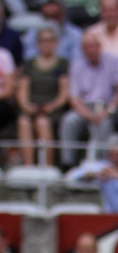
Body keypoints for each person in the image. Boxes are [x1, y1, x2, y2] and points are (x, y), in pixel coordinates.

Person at [59, 30, 118, 170]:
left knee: (105, 123)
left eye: (94, 46)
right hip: (85, 108)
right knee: (69, 120)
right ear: (82, 49)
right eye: (87, 47)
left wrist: (108, 111)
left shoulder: (113, 61)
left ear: (100, 46)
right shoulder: (76, 65)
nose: (91, 50)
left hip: (107, 107)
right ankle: (67, 163)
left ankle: (99, 164)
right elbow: (74, 97)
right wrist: (88, 114)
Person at [16, 24, 69, 166]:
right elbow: (23, 90)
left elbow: (64, 92)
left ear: (56, 43)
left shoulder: (62, 64)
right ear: (38, 43)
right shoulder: (29, 65)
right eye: (43, 40)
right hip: (32, 106)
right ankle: (28, 166)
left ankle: (47, 167)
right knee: (24, 122)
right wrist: (27, 106)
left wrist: (52, 106)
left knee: (42, 122)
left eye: (50, 40)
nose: (46, 44)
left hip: (52, 109)